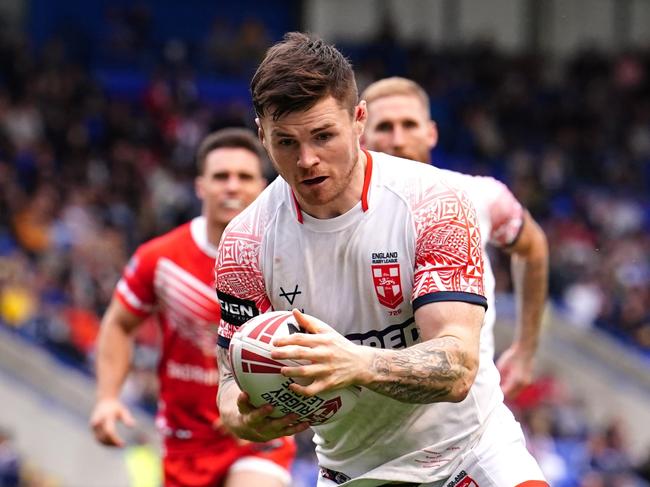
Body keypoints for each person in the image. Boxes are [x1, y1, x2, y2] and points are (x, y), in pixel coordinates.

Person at [215, 32, 548, 487]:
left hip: (469, 454)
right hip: (354, 471)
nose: (307, 159)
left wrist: (356, 363)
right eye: (286, 142)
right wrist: (245, 418)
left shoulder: (437, 201)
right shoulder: (244, 242)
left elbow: (457, 367)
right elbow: (229, 383)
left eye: (323, 135)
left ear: (358, 120)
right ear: (261, 136)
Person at [90, 128, 296, 487]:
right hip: (185, 439)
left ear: (262, 185)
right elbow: (119, 324)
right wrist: (108, 398)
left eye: (244, 176)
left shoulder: (288, 257)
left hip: (258, 433)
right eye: (221, 176)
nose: (232, 186)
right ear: (201, 186)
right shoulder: (161, 258)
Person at [361, 76, 549, 399]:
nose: (397, 139)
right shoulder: (336, 214)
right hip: (374, 423)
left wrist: (525, 348)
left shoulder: (480, 196)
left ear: (431, 133)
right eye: (384, 127)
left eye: (409, 125)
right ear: (360, 136)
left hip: (472, 417)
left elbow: (534, 248)